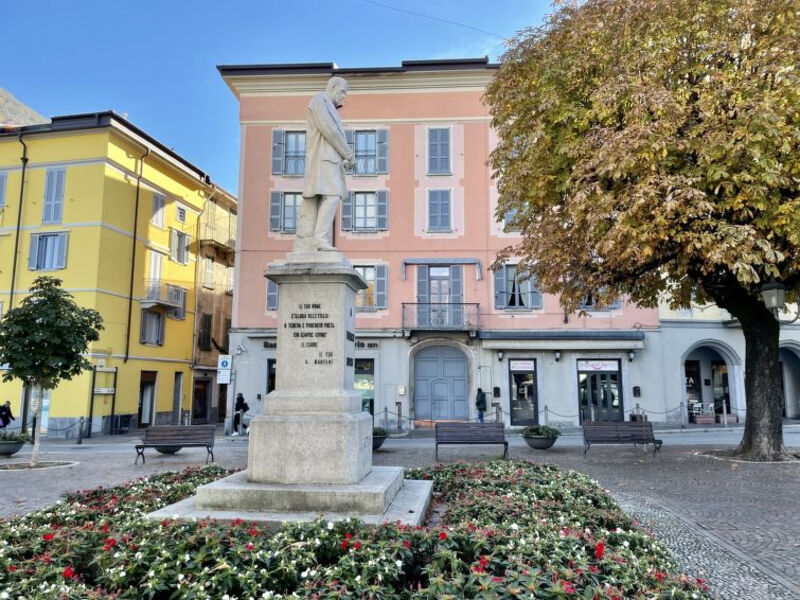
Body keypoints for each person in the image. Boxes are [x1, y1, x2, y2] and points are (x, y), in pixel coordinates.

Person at [296, 76, 356, 253]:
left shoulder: (330, 107)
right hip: (322, 161)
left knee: (326, 198)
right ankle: (318, 238)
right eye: (343, 91)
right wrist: (348, 154)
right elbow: (328, 130)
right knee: (333, 195)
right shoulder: (318, 102)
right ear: (333, 87)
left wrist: (344, 159)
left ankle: (314, 238)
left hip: (330, 161)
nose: (344, 96)